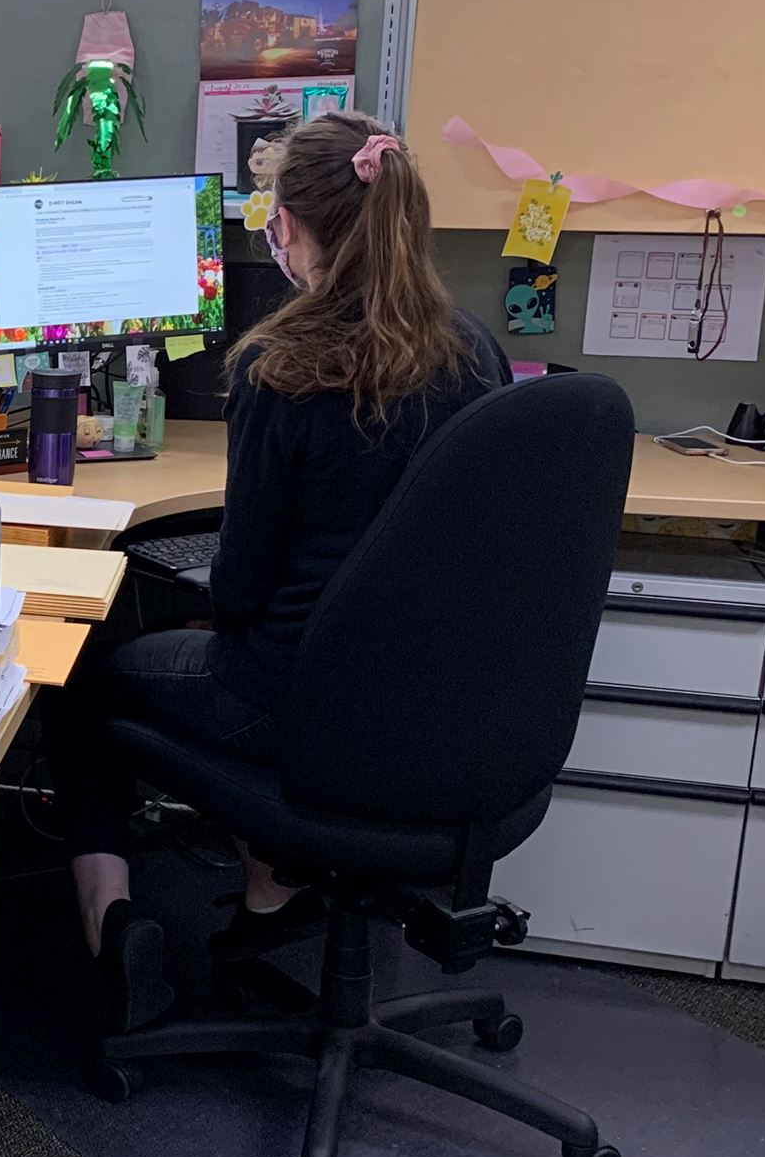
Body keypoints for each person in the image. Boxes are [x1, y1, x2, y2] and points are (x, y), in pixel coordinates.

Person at [64, 109, 512, 1032]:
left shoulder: (283, 366)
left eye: (271, 217)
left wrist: (196, 602)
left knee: (82, 676)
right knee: (213, 657)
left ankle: (114, 928)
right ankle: (272, 891)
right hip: (452, 710)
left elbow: (245, 591)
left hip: (299, 703)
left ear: (294, 231)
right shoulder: (478, 355)